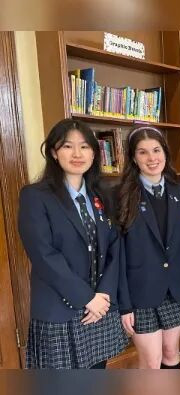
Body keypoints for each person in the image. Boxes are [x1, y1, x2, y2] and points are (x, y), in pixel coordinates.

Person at [18, 118, 128, 369]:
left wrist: (103, 295)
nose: (77, 154)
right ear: (54, 152)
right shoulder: (35, 196)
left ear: (94, 154)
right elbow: (43, 255)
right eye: (68, 146)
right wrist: (86, 298)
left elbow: (115, 247)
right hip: (61, 308)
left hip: (99, 307)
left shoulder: (104, 195)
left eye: (84, 146)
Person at [117, 126, 180, 369]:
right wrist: (124, 305)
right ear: (134, 158)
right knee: (151, 362)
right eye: (142, 152)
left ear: (165, 153)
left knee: (171, 352)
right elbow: (117, 256)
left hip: (176, 290)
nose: (151, 158)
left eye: (156, 150)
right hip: (140, 294)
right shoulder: (121, 196)